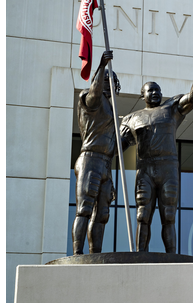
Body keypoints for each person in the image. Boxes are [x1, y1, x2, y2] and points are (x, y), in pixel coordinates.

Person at [120, 49, 193, 252]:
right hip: (145, 170)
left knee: (168, 216)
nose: (155, 93)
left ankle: (171, 256)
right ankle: (139, 255)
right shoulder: (132, 118)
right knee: (143, 216)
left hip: (167, 168)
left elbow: (192, 98)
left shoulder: (171, 109)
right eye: (151, 90)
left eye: (158, 90)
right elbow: (118, 148)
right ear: (142, 95)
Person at [72, 50, 120, 254]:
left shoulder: (113, 110)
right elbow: (94, 94)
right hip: (90, 159)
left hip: (105, 164)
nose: (109, 83)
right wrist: (101, 67)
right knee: (84, 210)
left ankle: (95, 254)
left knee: (102, 214)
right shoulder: (90, 100)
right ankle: (77, 253)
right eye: (105, 79)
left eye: (112, 79)